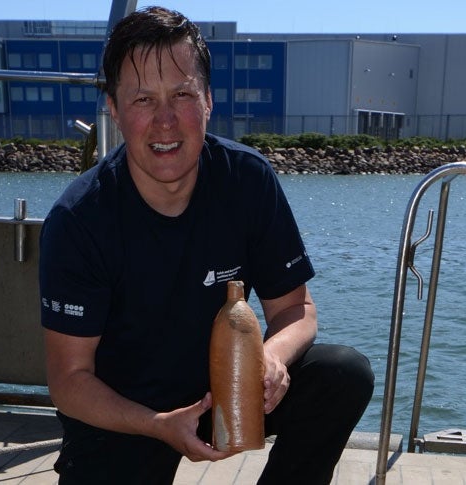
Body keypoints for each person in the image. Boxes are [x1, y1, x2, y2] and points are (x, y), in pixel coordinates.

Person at [39, 6, 374, 484]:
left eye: (182, 94)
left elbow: (297, 309)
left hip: (225, 389)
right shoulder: (78, 220)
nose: (165, 121)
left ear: (209, 100)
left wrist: (272, 358)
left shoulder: (248, 180)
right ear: (113, 108)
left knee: (342, 374)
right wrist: (157, 424)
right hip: (125, 414)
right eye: (143, 100)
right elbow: (69, 381)